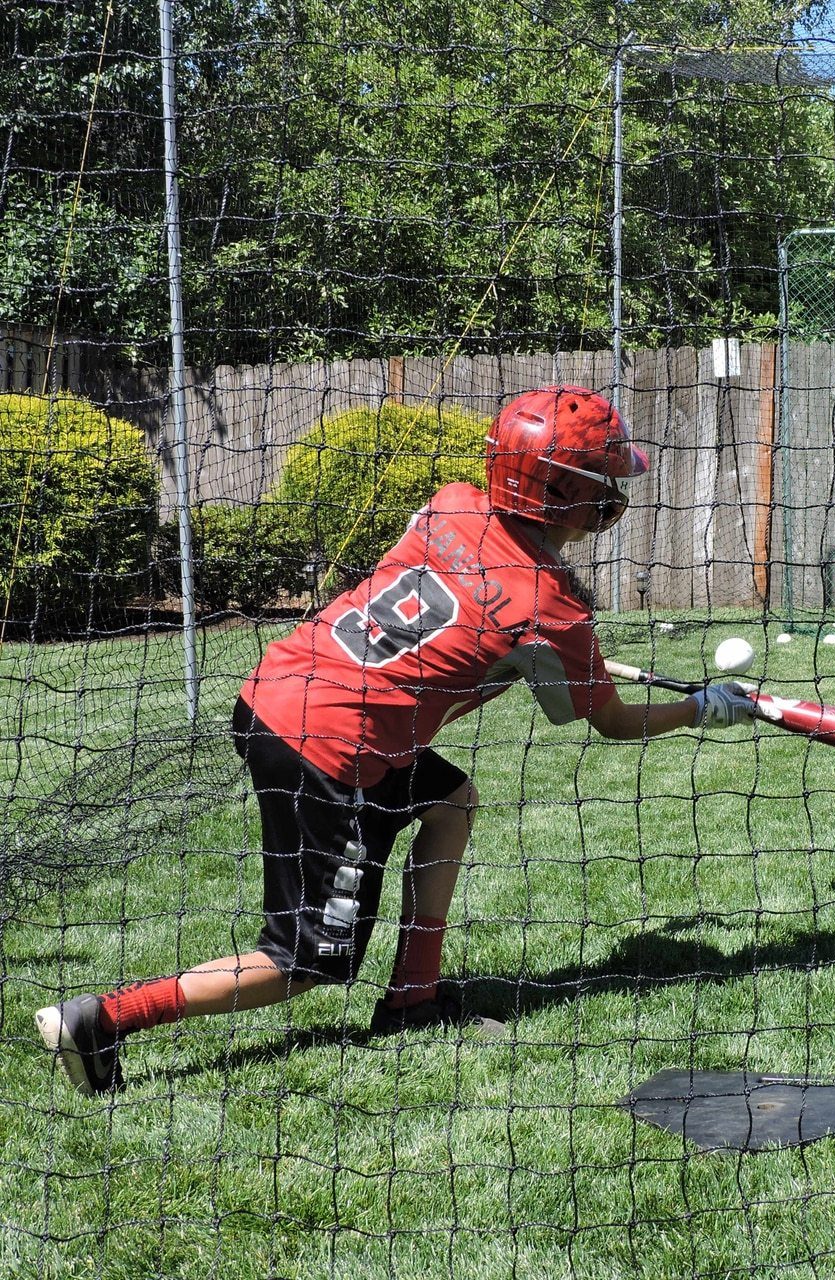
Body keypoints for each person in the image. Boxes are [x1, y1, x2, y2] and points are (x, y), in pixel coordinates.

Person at [36, 385, 757, 1096]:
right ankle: (102, 1020)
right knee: (306, 961)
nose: (613, 493)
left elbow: (470, 586)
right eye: (603, 480)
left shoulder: (450, 503)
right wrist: (700, 710)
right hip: (331, 749)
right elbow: (616, 722)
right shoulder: (552, 614)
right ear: (576, 496)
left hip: (276, 690)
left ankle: (413, 997)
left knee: (452, 801)